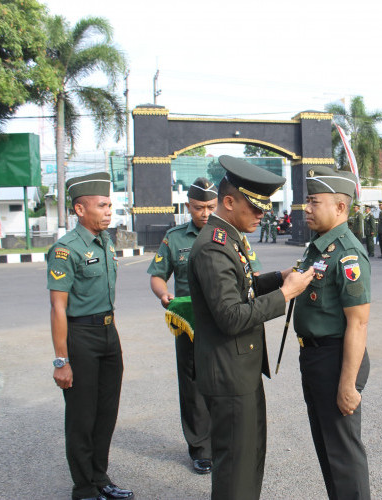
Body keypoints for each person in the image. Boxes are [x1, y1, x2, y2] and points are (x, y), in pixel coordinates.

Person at [188, 156, 314, 500]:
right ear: (229, 202)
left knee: (249, 457)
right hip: (228, 373)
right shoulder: (214, 246)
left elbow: (241, 288)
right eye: (255, 207)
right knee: (235, 468)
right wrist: (286, 294)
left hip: (239, 370)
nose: (261, 215)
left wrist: (279, 278)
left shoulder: (227, 237)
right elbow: (231, 316)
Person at [47, 172, 134, 500]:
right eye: (102, 205)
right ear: (80, 210)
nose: (109, 211)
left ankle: (100, 477)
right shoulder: (65, 250)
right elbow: (58, 308)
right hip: (80, 336)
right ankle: (84, 488)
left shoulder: (105, 242)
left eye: (110, 204)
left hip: (109, 334)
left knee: (106, 412)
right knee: (82, 417)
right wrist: (61, 361)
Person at [293, 165, 371, 500]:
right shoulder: (318, 247)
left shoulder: (347, 253)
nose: (306, 208)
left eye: (314, 201)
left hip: (336, 358)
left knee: (343, 453)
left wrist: (348, 384)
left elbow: (358, 322)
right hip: (315, 356)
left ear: (340, 207)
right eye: (306, 201)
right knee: (327, 448)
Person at [147, 177, 217, 474]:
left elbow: (252, 271)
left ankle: (225, 442)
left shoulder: (229, 234)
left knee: (224, 382)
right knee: (192, 385)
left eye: (210, 207)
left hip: (223, 321)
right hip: (188, 323)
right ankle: (200, 448)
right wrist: (164, 294)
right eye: (199, 207)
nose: (205, 213)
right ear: (188, 206)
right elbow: (157, 274)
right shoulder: (174, 238)